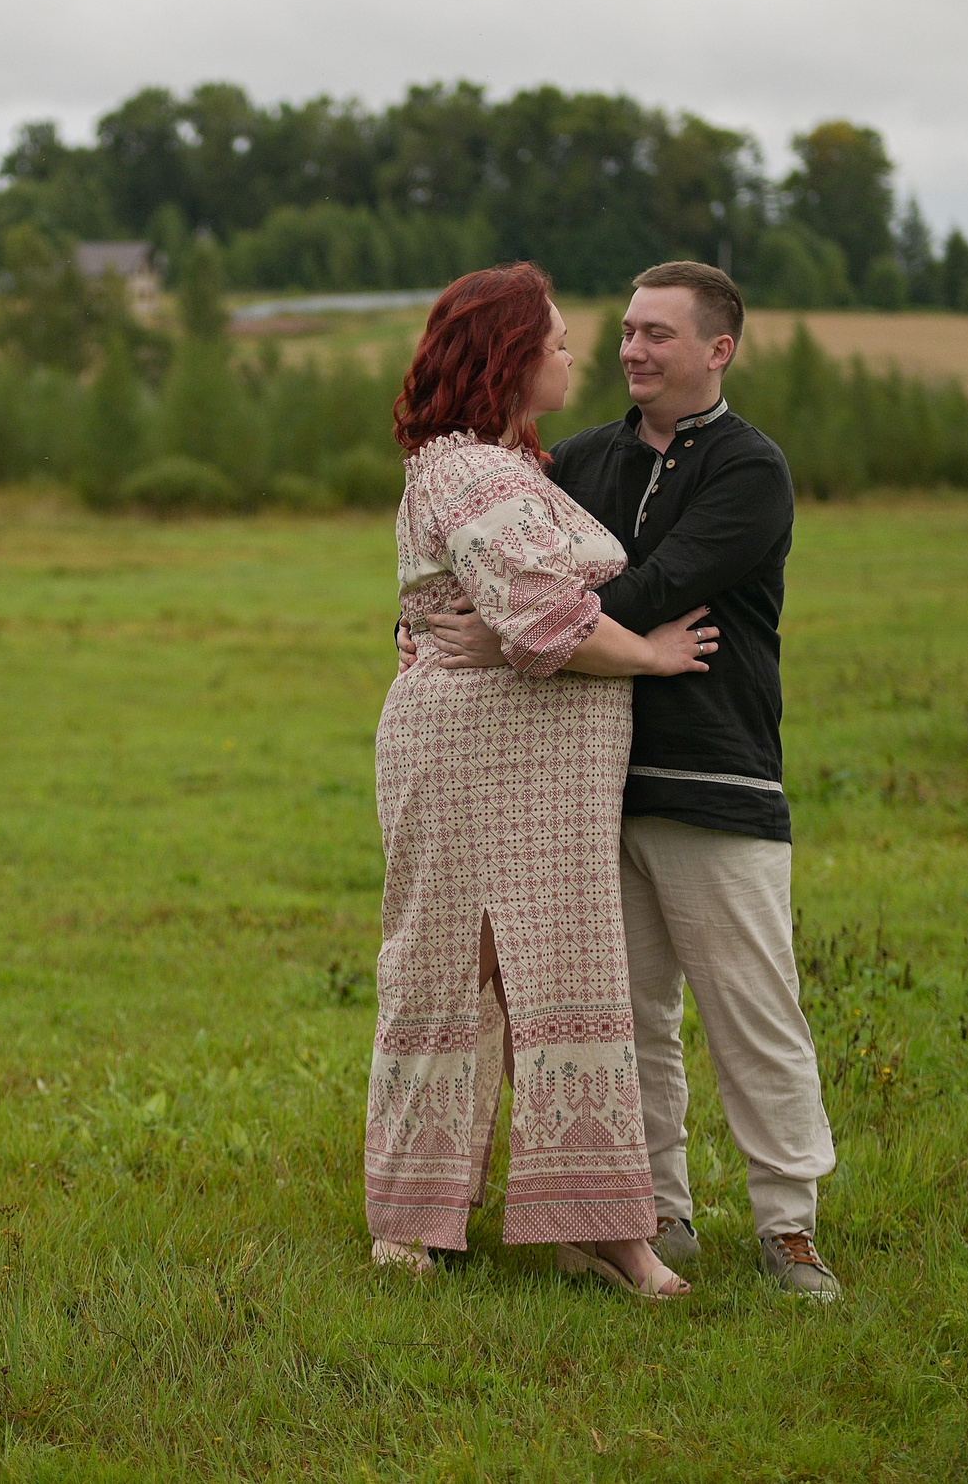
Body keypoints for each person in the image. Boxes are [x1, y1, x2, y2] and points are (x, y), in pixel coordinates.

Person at [409, 261, 841, 1300]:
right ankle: (657, 1211)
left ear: (717, 350)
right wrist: (482, 621)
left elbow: (651, 587)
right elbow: (502, 571)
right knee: (627, 1015)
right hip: (588, 783)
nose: (632, 350)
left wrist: (517, 633)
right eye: (627, 331)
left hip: (714, 775)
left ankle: (789, 1227)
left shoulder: (750, 471)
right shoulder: (578, 460)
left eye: (658, 334)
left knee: (753, 1011)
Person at [369, 263, 718, 1299]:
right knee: (454, 960)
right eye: (559, 340)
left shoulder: (505, 465)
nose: (577, 355)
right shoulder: (465, 468)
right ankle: (413, 1217)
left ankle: (597, 1225)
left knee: (565, 969)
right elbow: (534, 614)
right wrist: (650, 657)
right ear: (508, 357)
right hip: (481, 755)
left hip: (543, 767)